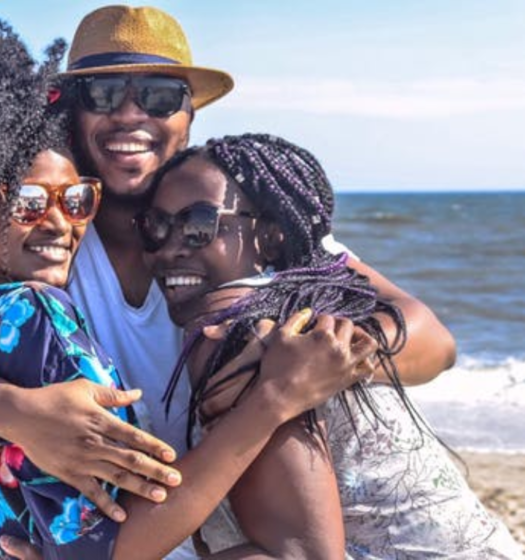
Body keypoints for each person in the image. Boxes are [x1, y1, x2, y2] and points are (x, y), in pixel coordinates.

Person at [0, 5, 456, 557]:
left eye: (161, 96)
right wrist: (22, 415)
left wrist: (311, 358)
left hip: (217, 525)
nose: (131, 114)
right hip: (148, 529)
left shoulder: (234, 225)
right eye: (105, 92)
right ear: (69, 109)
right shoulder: (42, 233)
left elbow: (430, 339)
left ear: (189, 116)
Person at [136, 133, 522, 558]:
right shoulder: (317, 299)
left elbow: (302, 555)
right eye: (155, 226)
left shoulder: (236, 335)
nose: (169, 248)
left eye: (197, 225)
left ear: (272, 236)